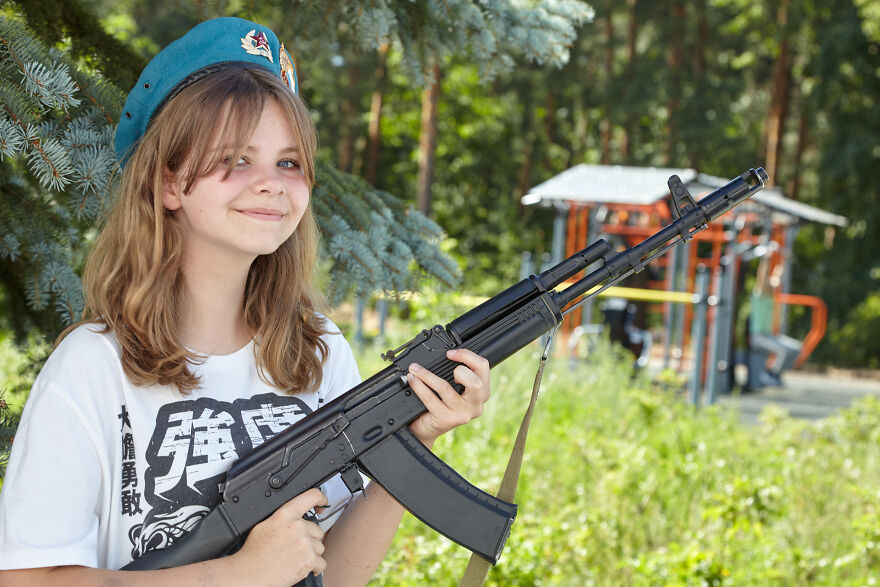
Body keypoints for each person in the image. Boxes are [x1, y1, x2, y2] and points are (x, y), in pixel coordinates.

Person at [0, 17, 491, 586]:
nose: (271, 183)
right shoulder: (94, 367)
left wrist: (410, 440)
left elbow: (334, 577)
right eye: (235, 159)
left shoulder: (319, 351)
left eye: (289, 162)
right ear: (167, 182)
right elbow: (27, 580)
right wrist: (240, 574)